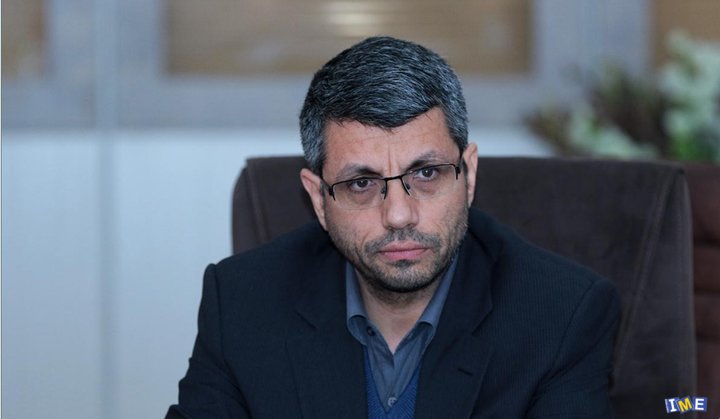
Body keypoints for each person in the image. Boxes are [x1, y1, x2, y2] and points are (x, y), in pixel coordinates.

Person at [166, 36, 620, 419]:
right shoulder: (242, 303)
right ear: (319, 199)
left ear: (469, 176)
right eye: (361, 183)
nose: (399, 215)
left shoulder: (562, 315)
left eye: (426, 174)